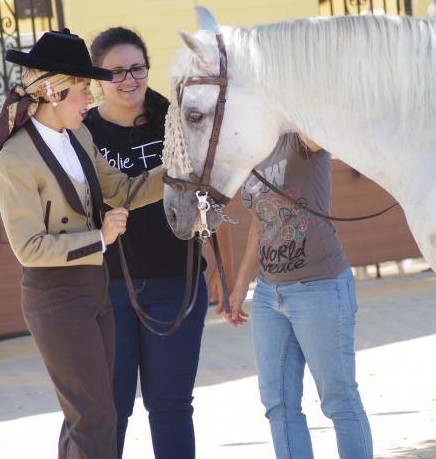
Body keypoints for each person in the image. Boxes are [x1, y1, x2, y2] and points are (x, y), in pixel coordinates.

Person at [0, 28, 164, 459]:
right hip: (54, 296)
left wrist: (180, 176)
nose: (91, 99)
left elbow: (121, 189)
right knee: (94, 416)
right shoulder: (14, 159)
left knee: (91, 414)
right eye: (82, 90)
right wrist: (98, 239)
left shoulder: (79, 136)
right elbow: (28, 247)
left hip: (93, 288)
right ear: (51, 91)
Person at [84, 26, 232, 459]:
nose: (128, 80)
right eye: (116, 72)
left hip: (177, 280)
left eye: (137, 69)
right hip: (108, 287)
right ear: (96, 80)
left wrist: (214, 262)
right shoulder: (83, 132)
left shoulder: (174, 118)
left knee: (170, 405)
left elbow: (208, 189)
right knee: (111, 407)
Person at [224, 133, 373, 459]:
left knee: (339, 400)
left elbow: (319, 118)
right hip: (268, 294)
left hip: (319, 287)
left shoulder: (299, 140)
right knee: (278, 403)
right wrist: (240, 286)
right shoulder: (253, 148)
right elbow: (260, 221)